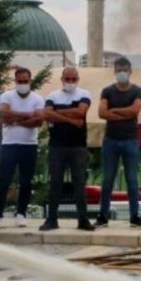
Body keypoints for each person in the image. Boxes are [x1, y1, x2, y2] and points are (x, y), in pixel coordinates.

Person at [40, 67, 96, 232]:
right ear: (62, 79)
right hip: (57, 145)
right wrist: (71, 120)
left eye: (73, 79)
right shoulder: (53, 95)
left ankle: (83, 219)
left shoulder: (84, 94)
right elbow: (46, 114)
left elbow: (81, 111)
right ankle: (52, 219)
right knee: (55, 183)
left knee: (79, 184)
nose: (70, 82)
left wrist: (58, 113)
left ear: (78, 79)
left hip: (77, 146)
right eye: (67, 78)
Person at [0, 67, 45, 229]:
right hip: (9, 144)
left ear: (30, 81)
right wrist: (29, 115)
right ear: (15, 81)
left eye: (25, 81)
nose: (23, 84)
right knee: (4, 180)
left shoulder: (37, 98)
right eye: (20, 81)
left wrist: (15, 120)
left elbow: (39, 121)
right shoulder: (6, 96)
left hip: (29, 144)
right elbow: (4, 115)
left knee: (26, 181)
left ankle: (21, 214)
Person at [96, 56, 141, 228]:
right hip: (111, 140)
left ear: (130, 71)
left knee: (132, 179)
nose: (122, 73)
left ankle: (135, 215)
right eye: (119, 70)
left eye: (125, 69)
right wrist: (125, 112)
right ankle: (103, 215)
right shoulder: (107, 91)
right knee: (107, 179)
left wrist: (115, 110)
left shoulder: (137, 90)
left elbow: (135, 110)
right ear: (114, 71)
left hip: (130, 139)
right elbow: (101, 113)